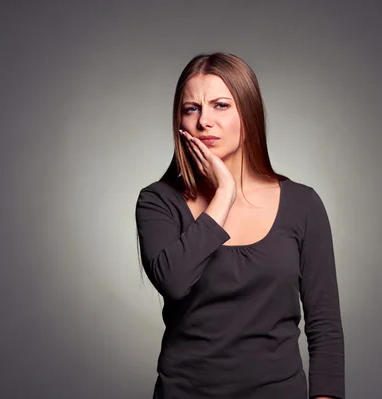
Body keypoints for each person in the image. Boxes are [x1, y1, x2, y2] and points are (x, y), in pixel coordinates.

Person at [135, 52, 345, 399]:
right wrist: (225, 194)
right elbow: (174, 281)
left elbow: (325, 325)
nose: (205, 122)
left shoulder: (302, 204)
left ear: (247, 113)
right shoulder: (159, 201)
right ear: (180, 123)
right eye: (192, 109)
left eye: (220, 105)